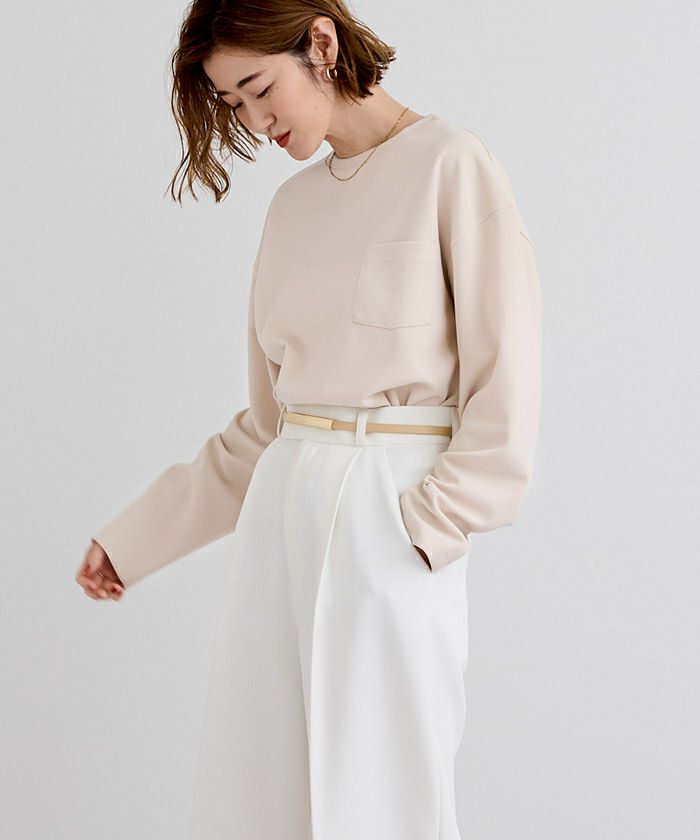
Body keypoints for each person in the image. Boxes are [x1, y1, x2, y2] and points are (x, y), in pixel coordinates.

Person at [75, 1, 543, 837]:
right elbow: (268, 428)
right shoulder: (291, 209)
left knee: (388, 797)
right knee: (267, 797)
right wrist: (134, 539)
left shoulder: (451, 165)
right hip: (282, 523)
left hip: (392, 523)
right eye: (234, 104)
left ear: (320, 43)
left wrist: (425, 530)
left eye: (260, 89)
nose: (256, 123)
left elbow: (504, 392)